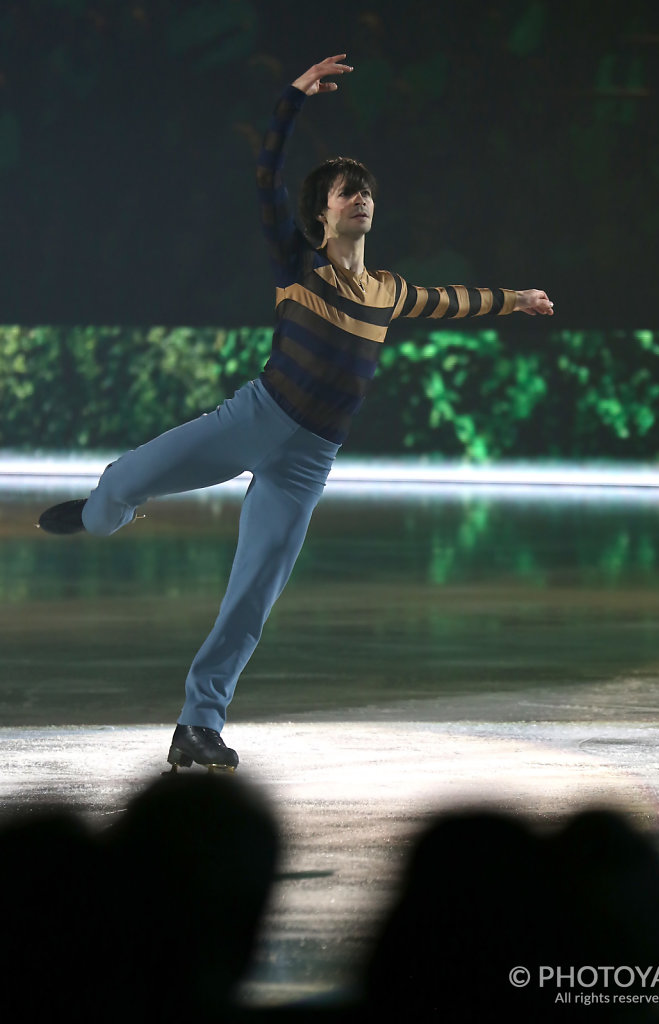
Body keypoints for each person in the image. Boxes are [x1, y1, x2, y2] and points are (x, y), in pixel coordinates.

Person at [37, 55, 554, 771]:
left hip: (310, 458)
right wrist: (290, 101)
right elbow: (265, 179)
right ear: (322, 213)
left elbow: (453, 300)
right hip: (259, 416)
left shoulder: (390, 291)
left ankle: (198, 724)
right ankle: (97, 515)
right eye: (345, 191)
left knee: (252, 595)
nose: (359, 198)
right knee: (126, 480)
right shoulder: (297, 265)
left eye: (364, 189)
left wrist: (516, 300)